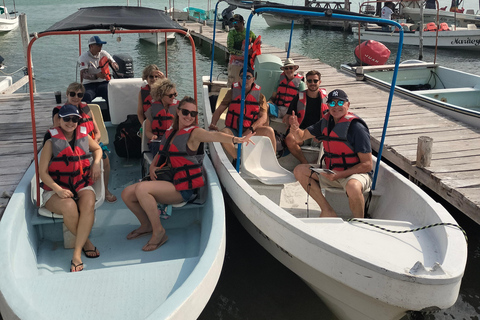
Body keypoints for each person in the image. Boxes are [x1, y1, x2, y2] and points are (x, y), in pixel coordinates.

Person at [122, 96, 254, 251]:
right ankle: (146, 225)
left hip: (183, 188)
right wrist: (153, 167)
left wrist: (236, 139)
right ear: (178, 111)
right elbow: (162, 151)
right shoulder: (171, 130)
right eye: (185, 112)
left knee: (141, 189)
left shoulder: (195, 133)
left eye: (193, 114)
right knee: (126, 194)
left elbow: (214, 136)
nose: (189, 116)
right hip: (170, 179)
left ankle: (159, 232)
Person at [39, 104, 102, 272]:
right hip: (55, 190)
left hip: (80, 184)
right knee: (69, 206)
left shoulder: (84, 136)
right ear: (59, 120)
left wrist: (96, 163)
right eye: (66, 119)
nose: (71, 122)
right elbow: (42, 173)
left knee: (88, 203)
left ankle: (76, 253)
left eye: (75, 119)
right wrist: (58, 189)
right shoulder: (51, 143)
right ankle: (85, 244)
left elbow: (98, 150)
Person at [291, 89, 373, 218]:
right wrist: (295, 129)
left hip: (355, 174)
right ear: (328, 105)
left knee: (353, 187)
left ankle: (359, 222)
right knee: (299, 170)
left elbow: (367, 165)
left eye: (340, 103)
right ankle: (327, 210)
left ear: (348, 105)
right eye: (332, 103)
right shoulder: (325, 122)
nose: (336, 107)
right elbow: (301, 137)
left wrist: (340, 175)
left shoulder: (356, 127)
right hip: (332, 171)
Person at [52, 82, 117, 203]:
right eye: (72, 94)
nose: (76, 97)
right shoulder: (59, 112)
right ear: (67, 94)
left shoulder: (86, 108)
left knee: (105, 159)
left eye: (80, 95)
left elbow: (97, 131)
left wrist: (95, 142)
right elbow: (60, 136)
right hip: (72, 146)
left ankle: (105, 189)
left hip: (92, 143)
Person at [209, 66, 276, 164]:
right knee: (223, 134)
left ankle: (272, 160)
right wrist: (213, 124)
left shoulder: (260, 97)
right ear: (239, 78)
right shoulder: (231, 93)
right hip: (234, 130)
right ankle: (236, 159)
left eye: (248, 77)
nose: (245, 79)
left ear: (253, 79)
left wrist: (250, 130)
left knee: (269, 131)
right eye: (242, 77)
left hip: (251, 130)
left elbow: (263, 117)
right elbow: (219, 110)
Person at [283, 70, 328, 163]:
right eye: (310, 81)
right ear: (306, 82)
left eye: (315, 81)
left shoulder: (327, 100)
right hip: (302, 133)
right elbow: (286, 117)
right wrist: (290, 121)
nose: (312, 83)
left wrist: (322, 136)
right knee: (289, 139)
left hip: (320, 134)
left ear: (320, 82)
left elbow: (332, 120)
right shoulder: (298, 98)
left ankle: (317, 164)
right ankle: (304, 163)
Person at [78, 36, 119, 106]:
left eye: (101, 45)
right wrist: (96, 76)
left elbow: (116, 66)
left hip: (103, 82)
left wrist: (113, 64)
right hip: (89, 84)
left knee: (112, 95)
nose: (100, 47)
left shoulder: (104, 53)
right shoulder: (84, 57)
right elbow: (84, 74)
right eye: (98, 45)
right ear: (91, 46)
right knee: (86, 96)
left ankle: (110, 115)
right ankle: (88, 116)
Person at [145, 79, 179, 155]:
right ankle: (159, 166)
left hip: (172, 140)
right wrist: (153, 136)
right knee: (158, 147)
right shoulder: (151, 110)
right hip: (157, 142)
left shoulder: (178, 109)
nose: (173, 97)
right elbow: (147, 131)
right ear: (161, 95)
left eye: (174, 94)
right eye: (170, 95)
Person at [226, 14, 257, 87]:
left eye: (236, 22)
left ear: (242, 22)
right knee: (233, 82)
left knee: (245, 82)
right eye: (233, 23)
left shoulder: (249, 33)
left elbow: (256, 42)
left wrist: (253, 50)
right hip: (235, 62)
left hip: (246, 63)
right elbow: (230, 49)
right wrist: (243, 53)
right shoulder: (232, 33)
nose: (234, 24)